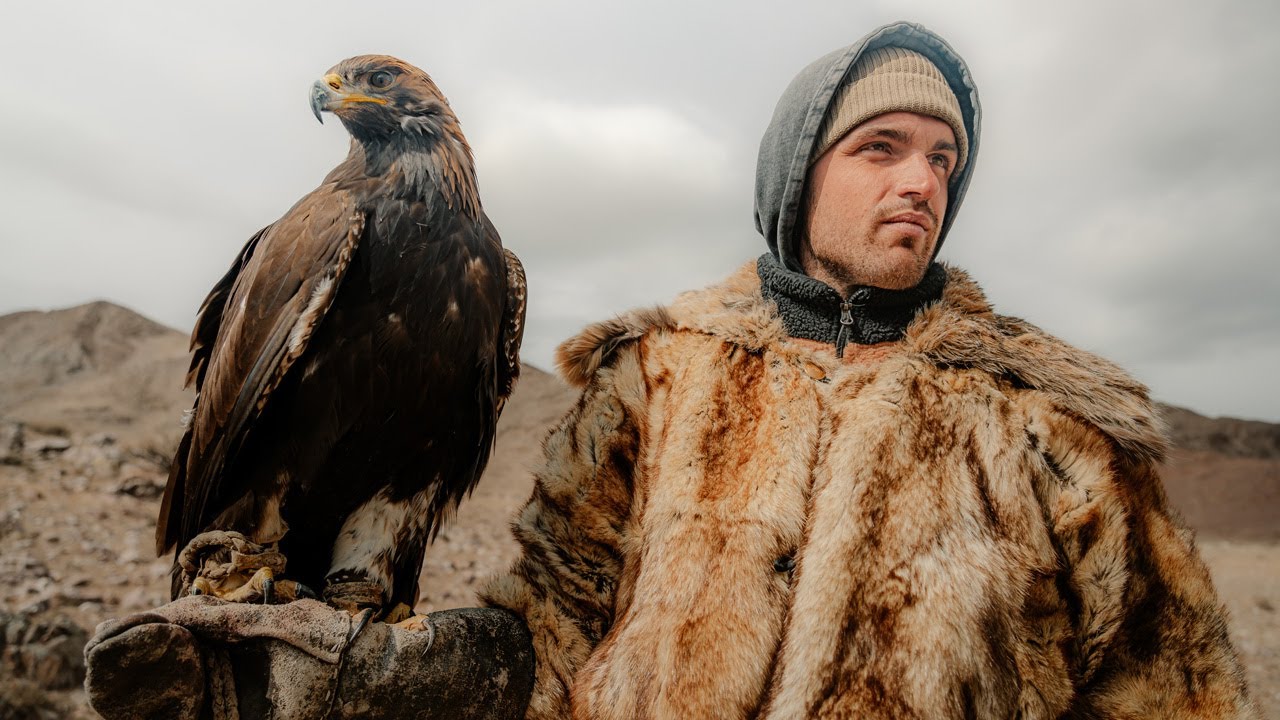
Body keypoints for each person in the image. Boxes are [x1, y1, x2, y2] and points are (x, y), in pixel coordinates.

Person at [85, 19, 1259, 720]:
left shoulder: (1054, 428)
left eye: (943, 158)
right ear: (798, 175)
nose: (921, 181)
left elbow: (1169, 692)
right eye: (880, 147)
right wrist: (378, 683)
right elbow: (547, 634)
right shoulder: (653, 380)